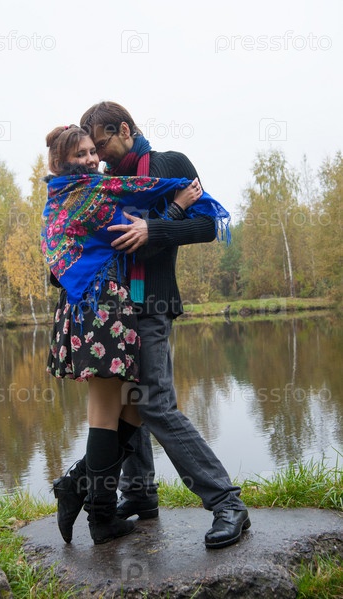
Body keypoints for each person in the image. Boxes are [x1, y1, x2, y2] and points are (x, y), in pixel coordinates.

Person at [78, 101, 251, 549]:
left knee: (154, 402)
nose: (99, 156)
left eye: (102, 145)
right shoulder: (106, 184)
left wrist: (153, 230)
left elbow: (207, 224)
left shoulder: (170, 165)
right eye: (92, 149)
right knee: (126, 400)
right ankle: (139, 494)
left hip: (152, 302)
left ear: (125, 129)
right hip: (114, 309)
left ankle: (226, 501)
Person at [42, 124, 204, 544]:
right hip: (97, 307)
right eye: (80, 154)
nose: (91, 159)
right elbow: (133, 234)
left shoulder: (68, 194)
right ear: (61, 162)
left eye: (91, 151)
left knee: (133, 405)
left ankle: (77, 484)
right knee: (105, 411)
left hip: (106, 306)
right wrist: (177, 205)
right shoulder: (89, 194)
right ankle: (100, 518)